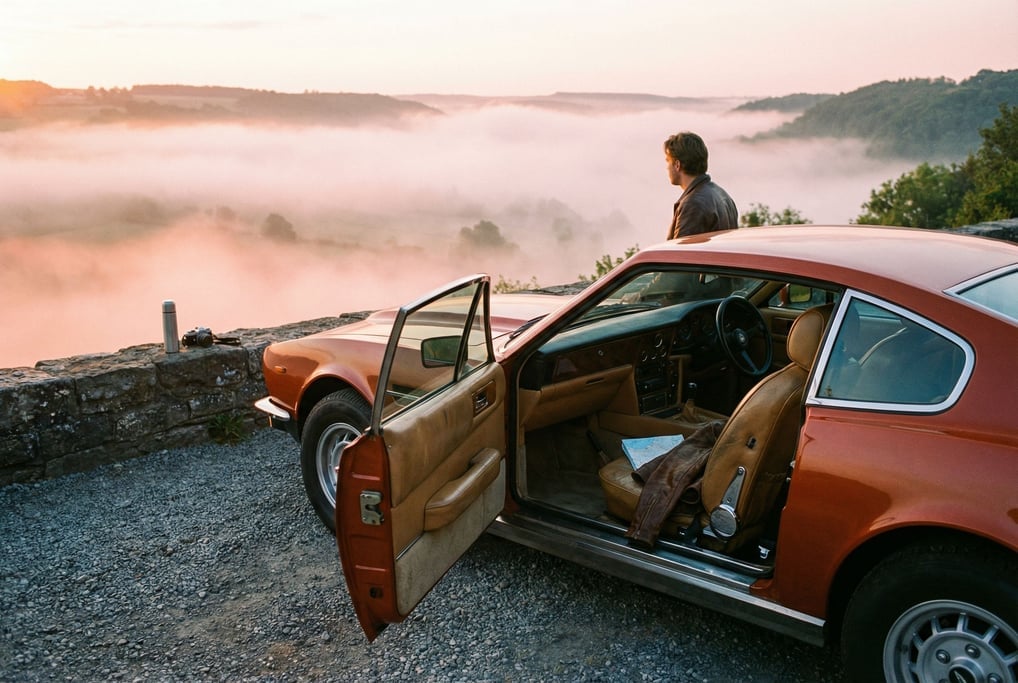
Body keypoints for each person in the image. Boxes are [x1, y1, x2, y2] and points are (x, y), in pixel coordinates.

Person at [664, 132, 738, 239]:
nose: (667, 167)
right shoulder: (724, 196)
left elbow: (680, 253)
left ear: (677, 165)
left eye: (668, 161)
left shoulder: (693, 204)